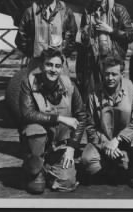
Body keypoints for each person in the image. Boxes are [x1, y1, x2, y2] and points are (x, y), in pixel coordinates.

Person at [19, 48, 87, 194]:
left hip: (60, 144)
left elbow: (81, 117)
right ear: (41, 66)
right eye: (49, 65)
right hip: (38, 142)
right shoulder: (28, 83)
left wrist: (72, 147)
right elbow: (27, 114)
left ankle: (46, 168)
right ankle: (34, 166)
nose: (53, 70)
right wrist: (60, 118)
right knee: (36, 188)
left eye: (57, 66)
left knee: (67, 183)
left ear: (61, 68)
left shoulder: (70, 86)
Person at [81, 55, 133, 188]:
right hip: (105, 142)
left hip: (128, 140)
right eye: (107, 74)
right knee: (88, 161)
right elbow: (90, 126)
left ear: (122, 74)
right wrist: (106, 144)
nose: (110, 78)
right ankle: (113, 167)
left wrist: (118, 140)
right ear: (102, 73)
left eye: (114, 74)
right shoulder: (93, 94)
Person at [76, 0, 133, 98]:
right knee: (92, 100)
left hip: (112, 63)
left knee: (115, 99)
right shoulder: (87, 12)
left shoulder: (119, 10)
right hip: (92, 64)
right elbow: (82, 41)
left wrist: (111, 30)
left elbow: (130, 36)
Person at [15, 0, 77, 64]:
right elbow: (21, 37)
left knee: (64, 79)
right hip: (36, 63)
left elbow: (71, 37)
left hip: (59, 64)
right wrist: (32, 54)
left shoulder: (66, 12)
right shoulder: (30, 12)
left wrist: (62, 55)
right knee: (29, 78)